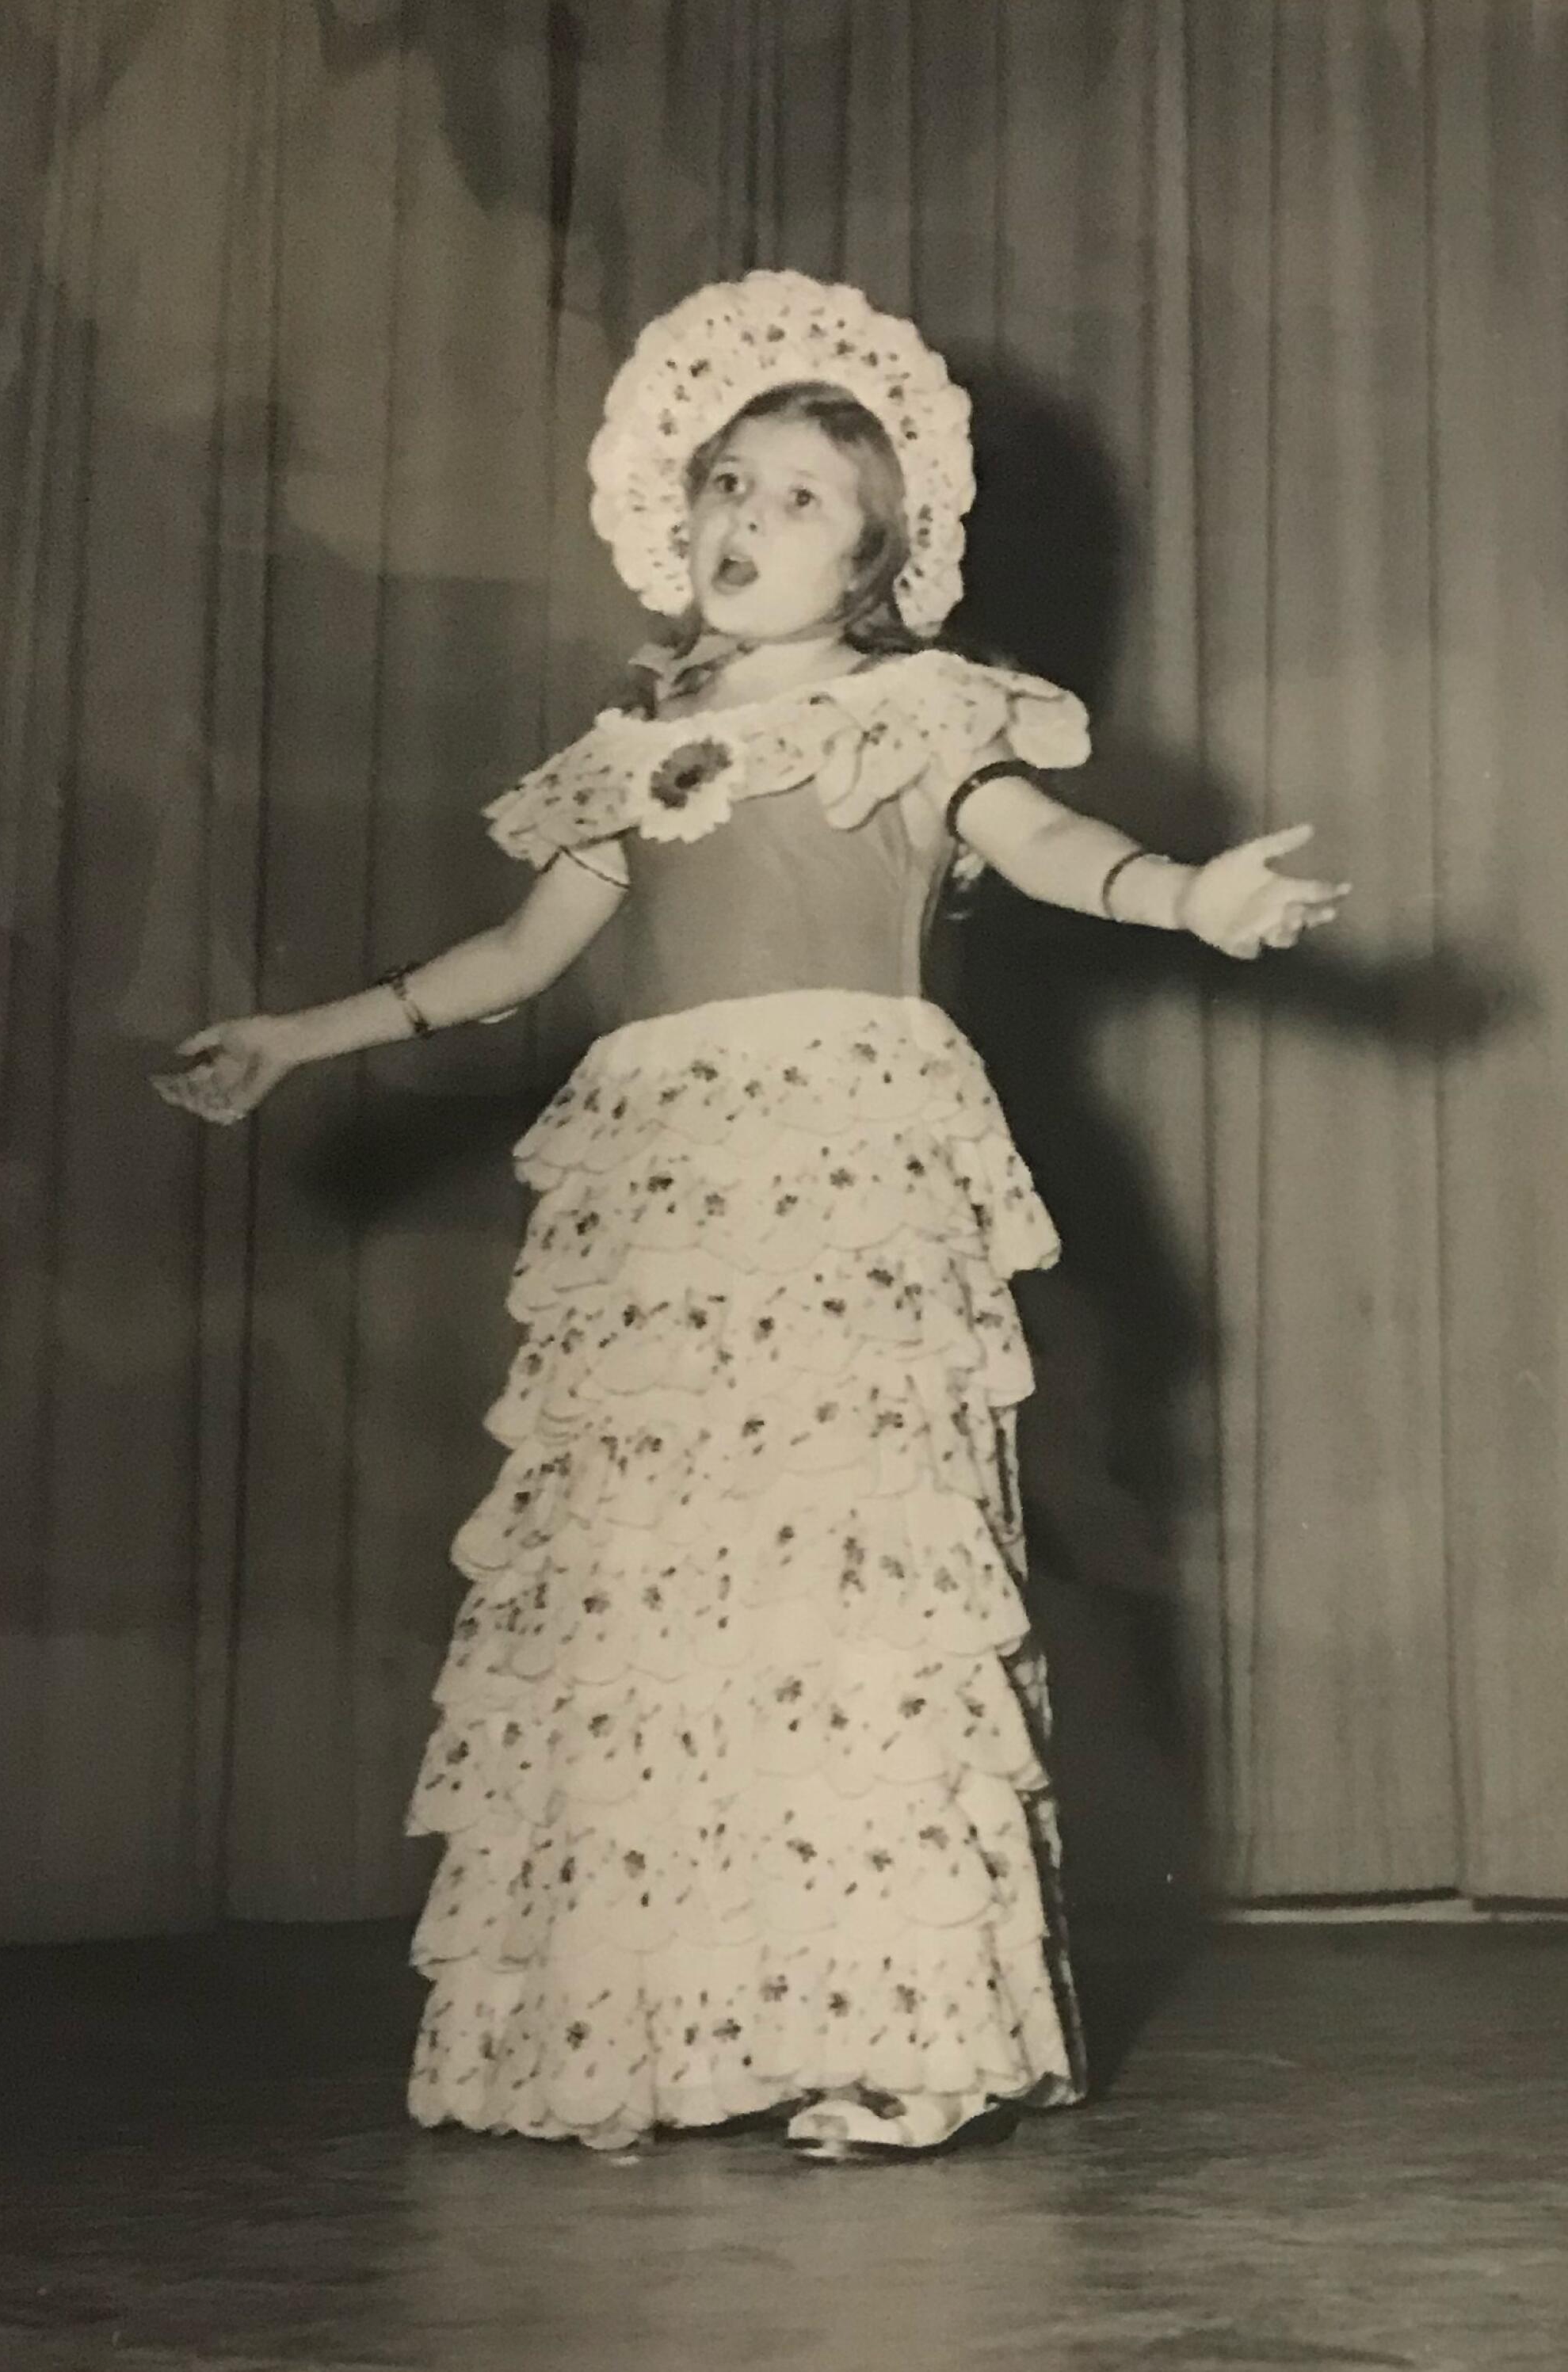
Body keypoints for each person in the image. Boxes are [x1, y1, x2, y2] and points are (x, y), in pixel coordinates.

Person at [155, 271, 1347, 2162]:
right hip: (661, 1189)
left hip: (848, 1169)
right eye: (723, 480)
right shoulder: (627, 753)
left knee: (850, 1590)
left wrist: (1190, 899)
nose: (742, 517)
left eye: (796, 493)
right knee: (663, 1583)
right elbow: (518, 954)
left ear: (876, 550)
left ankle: (894, 2031)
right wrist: (307, 1034)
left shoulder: (919, 714)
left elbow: (1044, 844)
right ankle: (653, 2023)